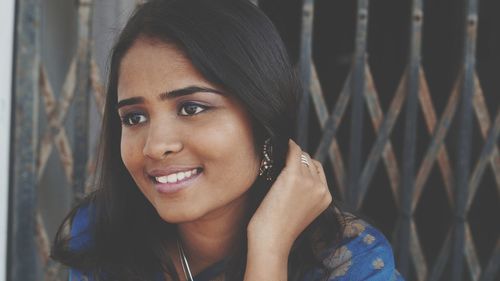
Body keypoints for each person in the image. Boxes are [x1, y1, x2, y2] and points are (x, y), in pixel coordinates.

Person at [51, 0, 404, 280]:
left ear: (262, 118)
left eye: (191, 108)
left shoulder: (348, 262)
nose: (155, 145)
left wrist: (269, 247)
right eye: (135, 117)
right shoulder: (101, 237)